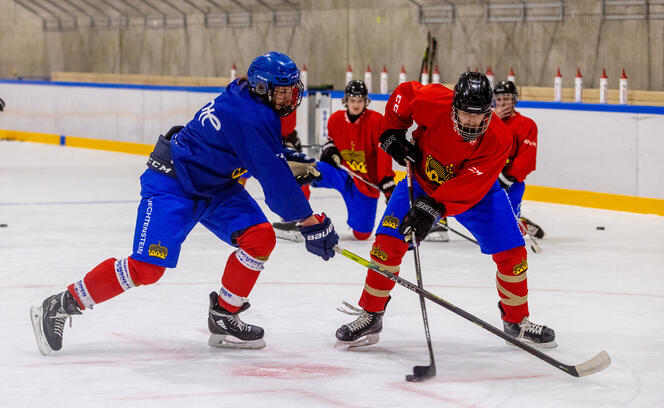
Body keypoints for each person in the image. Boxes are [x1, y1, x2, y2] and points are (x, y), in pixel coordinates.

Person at [29, 51, 339, 355]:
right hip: (173, 184)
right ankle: (61, 304)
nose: (288, 98)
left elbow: (249, 150)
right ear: (260, 87)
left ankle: (224, 316)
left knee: (259, 238)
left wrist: (278, 159)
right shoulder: (251, 115)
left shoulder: (244, 92)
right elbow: (275, 184)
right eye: (281, 92)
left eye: (291, 90)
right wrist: (309, 222)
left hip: (214, 184)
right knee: (147, 269)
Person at [335, 72, 556, 349]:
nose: (473, 122)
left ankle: (516, 321)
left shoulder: (499, 138)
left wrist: (433, 209)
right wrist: (392, 132)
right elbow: (403, 94)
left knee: (513, 253)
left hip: (479, 194)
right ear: (454, 106)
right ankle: (371, 315)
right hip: (421, 182)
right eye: (466, 114)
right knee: (386, 244)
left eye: (480, 115)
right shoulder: (433, 100)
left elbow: (470, 186)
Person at [273, 80, 397, 241]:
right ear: (346, 100)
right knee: (304, 170)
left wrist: (386, 181)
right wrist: (330, 151)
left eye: (360, 101)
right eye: (353, 100)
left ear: (366, 101)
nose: (356, 104)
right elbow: (330, 142)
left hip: (364, 183)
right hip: (341, 173)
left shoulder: (376, 121)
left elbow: (383, 154)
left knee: (362, 234)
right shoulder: (335, 119)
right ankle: (297, 219)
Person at [493, 80, 544, 238]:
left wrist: (508, 178)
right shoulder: (483, 121)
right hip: (485, 179)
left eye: (507, 98)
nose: (503, 103)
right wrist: (492, 120)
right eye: (499, 99)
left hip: (511, 184)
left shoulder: (526, 125)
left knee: (505, 233)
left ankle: (520, 225)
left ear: (514, 99)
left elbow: (526, 159)